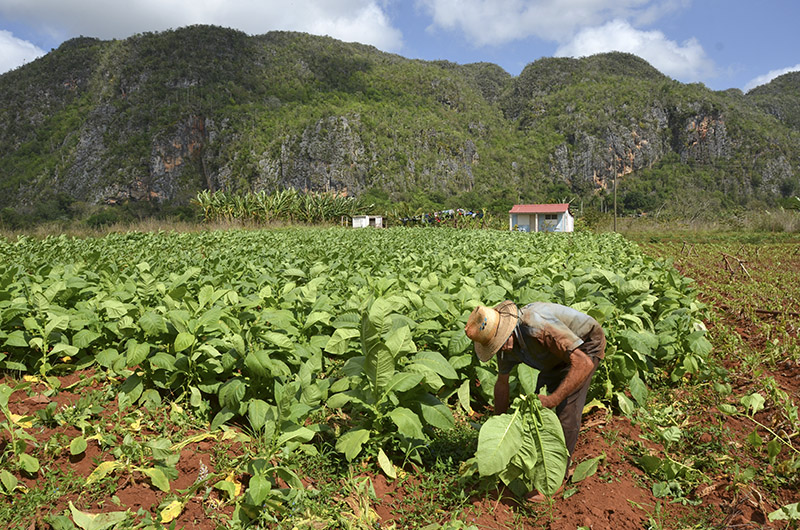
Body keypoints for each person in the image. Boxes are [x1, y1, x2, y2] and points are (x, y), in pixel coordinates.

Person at [464, 300, 606, 499]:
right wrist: (500, 430)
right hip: (554, 357)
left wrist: (554, 399)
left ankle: (555, 481)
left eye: (499, 342)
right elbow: (502, 384)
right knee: (537, 411)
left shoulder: (537, 328)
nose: (501, 349)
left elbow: (583, 363)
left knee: (567, 409)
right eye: (494, 346)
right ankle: (536, 466)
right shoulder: (504, 347)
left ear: (506, 330)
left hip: (585, 347)